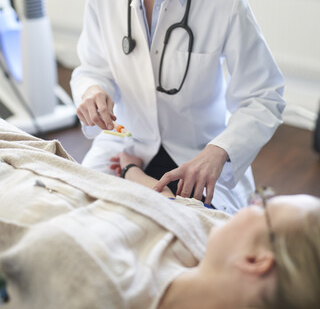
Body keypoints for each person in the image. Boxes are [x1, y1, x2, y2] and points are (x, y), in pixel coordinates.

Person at [71, 0, 286, 214]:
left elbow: (265, 96)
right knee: (81, 216)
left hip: (198, 154)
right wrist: (92, 92)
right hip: (126, 144)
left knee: (203, 236)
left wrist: (219, 152)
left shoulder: (225, 3)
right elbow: (91, 68)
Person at [0, 120, 319, 309]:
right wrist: (131, 169)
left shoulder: (102, 291)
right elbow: (171, 201)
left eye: (265, 205)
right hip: (35, 156)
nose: (252, 204)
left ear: (255, 261)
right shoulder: (215, 229)